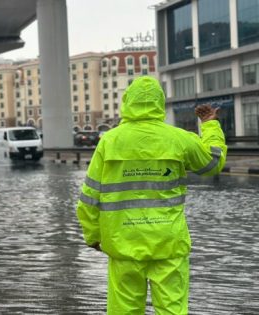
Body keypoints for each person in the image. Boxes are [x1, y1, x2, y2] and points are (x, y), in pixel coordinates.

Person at [76, 76, 227, 314]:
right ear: (160, 103)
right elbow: (212, 164)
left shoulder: (110, 141)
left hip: (123, 242)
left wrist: (93, 235)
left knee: (124, 310)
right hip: (168, 243)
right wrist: (210, 125)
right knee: (172, 309)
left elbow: (89, 197)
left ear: (127, 102)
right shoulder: (178, 138)